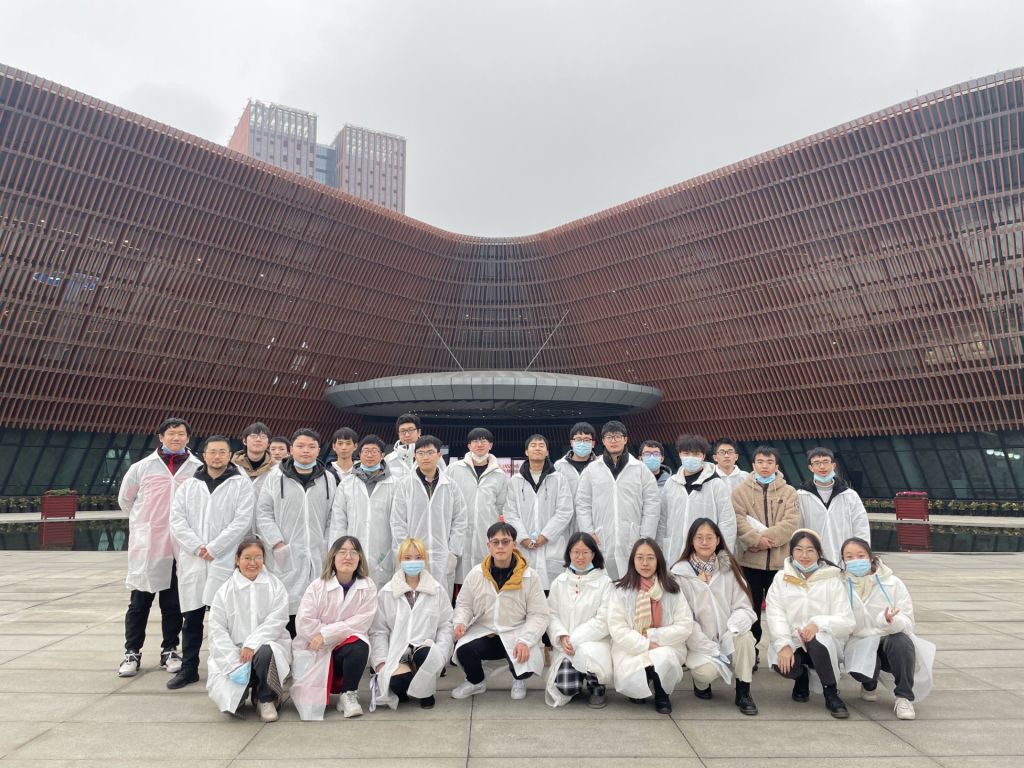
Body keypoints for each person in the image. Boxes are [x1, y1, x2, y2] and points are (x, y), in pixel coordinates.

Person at [117, 417, 202, 677]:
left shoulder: (197, 468)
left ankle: (169, 650)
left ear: (188, 437)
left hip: (181, 545)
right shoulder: (142, 467)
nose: (176, 438)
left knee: (173, 602)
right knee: (140, 601)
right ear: (161, 436)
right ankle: (132, 652)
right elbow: (126, 500)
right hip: (150, 544)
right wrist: (145, 523)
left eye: (181, 434)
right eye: (171, 433)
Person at [168, 436, 255, 689]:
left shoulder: (240, 484)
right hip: (194, 559)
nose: (217, 457)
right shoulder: (189, 486)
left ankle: (230, 667)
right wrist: (197, 547)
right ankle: (189, 668)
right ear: (204, 455)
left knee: (228, 618)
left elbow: (242, 520)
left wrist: (215, 548)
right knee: (192, 618)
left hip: (224, 558)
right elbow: (177, 520)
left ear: (230, 455)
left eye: (222, 452)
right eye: (212, 452)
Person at [451, 521, 550, 700]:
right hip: (486, 632)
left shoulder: (530, 576)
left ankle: (519, 678)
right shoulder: (476, 574)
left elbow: (539, 614)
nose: (500, 546)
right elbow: (464, 604)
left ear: (514, 544)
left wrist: (525, 640)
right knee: (463, 649)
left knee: (525, 660)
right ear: (489, 546)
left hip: (516, 632)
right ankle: (476, 681)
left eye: (505, 542)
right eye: (495, 542)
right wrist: (460, 623)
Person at [840, 537, 934, 720]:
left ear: (870, 557)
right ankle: (869, 683)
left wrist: (890, 621)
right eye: (849, 557)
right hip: (859, 641)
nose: (855, 561)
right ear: (843, 560)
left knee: (901, 641)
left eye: (860, 556)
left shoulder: (893, 583)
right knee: (865, 670)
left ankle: (904, 697)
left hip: (888, 639)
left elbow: (908, 622)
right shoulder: (839, 584)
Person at [670, 518, 758, 715]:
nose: (704, 542)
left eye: (709, 537)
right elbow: (683, 619)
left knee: (745, 638)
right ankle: (701, 684)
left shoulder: (729, 569)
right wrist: (709, 647)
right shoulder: (679, 574)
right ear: (691, 541)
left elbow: (743, 607)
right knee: (705, 673)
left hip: (728, 635)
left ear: (718, 540)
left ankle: (743, 690)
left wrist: (732, 630)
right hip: (699, 642)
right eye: (699, 537)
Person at [765, 529, 854, 718]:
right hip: (793, 640)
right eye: (799, 549)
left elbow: (847, 620)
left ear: (819, 553)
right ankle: (801, 677)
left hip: (823, 642)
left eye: (810, 550)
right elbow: (775, 614)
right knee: (784, 665)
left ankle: (831, 692)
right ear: (791, 552)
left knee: (817, 641)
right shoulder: (781, 578)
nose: (804, 555)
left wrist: (818, 624)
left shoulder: (831, 579)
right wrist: (783, 645)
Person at [256, 428, 338, 634]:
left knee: (316, 608)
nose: (306, 451)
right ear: (291, 449)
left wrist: (327, 543)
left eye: (311, 446)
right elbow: (263, 513)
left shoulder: (328, 479)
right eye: (300, 446)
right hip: (285, 552)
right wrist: (277, 543)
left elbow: (334, 515)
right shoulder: (274, 477)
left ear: (318, 450)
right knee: (286, 608)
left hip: (318, 553)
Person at [291, 536, 378, 720]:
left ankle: (348, 694)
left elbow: (362, 622)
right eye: (342, 552)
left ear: (360, 558)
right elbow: (304, 621)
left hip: (344, 650)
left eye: (353, 552)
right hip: (316, 649)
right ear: (333, 557)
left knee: (360, 644)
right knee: (310, 709)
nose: (348, 557)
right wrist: (324, 637)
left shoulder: (367, 586)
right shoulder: (317, 586)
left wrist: (326, 634)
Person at [206, 536, 291, 722]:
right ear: (237, 560)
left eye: (258, 557)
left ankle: (265, 699)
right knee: (232, 701)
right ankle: (243, 692)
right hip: (236, 653)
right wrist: (232, 660)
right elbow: (217, 630)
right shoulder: (224, 592)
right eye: (247, 558)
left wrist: (252, 644)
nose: (253, 563)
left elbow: (277, 621)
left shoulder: (275, 586)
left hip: (265, 649)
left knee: (267, 650)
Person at [608, 538, 692, 714]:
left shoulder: (672, 589)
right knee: (636, 673)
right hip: (632, 646)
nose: (645, 563)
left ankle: (662, 693)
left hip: (665, 645)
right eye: (640, 558)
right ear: (633, 561)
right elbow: (617, 628)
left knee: (663, 656)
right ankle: (642, 683)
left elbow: (685, 625)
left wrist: (654, 637)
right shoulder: (621, 590)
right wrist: (645, 644)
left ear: (658, 560)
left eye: (650, 558)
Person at [370, 538, 455, 710]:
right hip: (398, 652)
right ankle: (408, 681)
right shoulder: (387, 592)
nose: (413, 562)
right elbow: (379, 631)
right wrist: (380, 662)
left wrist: (441, 654)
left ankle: (426, 692)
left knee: (425, 655)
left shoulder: (437, 590)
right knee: (399, 683)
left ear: (425, 560)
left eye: (418, 557)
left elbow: (446, 625)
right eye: (407, 558)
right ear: (400, 560)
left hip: (424, 650)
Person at [732, 445, 799, 659]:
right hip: (749, 563)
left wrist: (764, 540)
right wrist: (755, 540)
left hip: (779, 564)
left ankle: (783, 652)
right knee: (749, 610)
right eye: (760, 462)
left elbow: (791, 522)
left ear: (776, 466)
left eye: (770, 462)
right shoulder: (740, 491)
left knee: (781, 610)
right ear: (753, 465)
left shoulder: (789, 492)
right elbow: (737, 519)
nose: (765, 466)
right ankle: (750, 653)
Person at [576, 420, 660, 580]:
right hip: (600, 537)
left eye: (617, 436)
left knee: (633, 584)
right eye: (609, 437)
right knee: (602, 583)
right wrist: (588, 532)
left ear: (625, 439)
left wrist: (645, 537)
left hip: (633, 537)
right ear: (603, 441)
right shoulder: (592, 470)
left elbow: (652, 505)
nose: (613, 440)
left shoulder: (640, 469)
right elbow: (582, 504)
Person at [391, 435, 468, 596]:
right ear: (415, 456)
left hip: (442, 554)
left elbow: (460, 520)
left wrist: (453, 552)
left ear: (439, 455)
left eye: (430, 452)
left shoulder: (451, 486)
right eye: (421, 453)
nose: (425, 457)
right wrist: (406, 551)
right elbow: (397, 521)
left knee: (440, 599)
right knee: (413, 598)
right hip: (413, 556)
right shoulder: (405, 485)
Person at [544, 532, 613, 708]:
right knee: (566, 687)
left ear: (593, 554)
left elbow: (603, 620)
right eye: (576, 552)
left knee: (590, 656)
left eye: (585, 552)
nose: (580, 557)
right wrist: (561, 636)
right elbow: (551, 614)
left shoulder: (605, 583)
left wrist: (574, 639)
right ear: (569, 553)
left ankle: (596, 687)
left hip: (593, 643)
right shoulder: (560, 582)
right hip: (566, 644)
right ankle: (578, 677)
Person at [502, 434, 574, 590]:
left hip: (552, 545)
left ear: (547, 452)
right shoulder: (516, 481)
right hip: (524, 546)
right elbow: (510, 512)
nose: (537, 448)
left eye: (541, 445)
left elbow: (565, 511)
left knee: (552, 591)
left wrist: (545, 536)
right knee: (524, 589)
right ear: (526, 452)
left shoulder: (558, 479)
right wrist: (523, 537)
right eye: (533, 445)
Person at [329, 435, 397, 589]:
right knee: (352, 592)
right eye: (366, 451)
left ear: (382, 455)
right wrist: (338, 551)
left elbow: (398, 522)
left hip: (384, 551)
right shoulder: (347, 484)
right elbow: (338, 521)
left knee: (382, 595)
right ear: (359, 454)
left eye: (374, 451)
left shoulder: (395, 484)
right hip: (352, 549)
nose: (369, 455)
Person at [659, 434, 736, 560]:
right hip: (673, 552)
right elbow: (662, 520)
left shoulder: (715, 484)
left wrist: (723, 555)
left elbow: (727, 522)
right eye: (686, 453)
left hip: (705, 552)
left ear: (703, 456)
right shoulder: (671, 483)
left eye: (696, 454)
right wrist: (659, 549)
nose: (691, 457)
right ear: (679, 454)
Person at [448, 427, 508, 588]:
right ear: (469, 446)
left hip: (486, 532)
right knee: (457, 579)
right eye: (475, 441)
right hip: (459, 531)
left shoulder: (499, 475)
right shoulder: (454, 469)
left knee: (484, 578)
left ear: (491, 445)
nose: (479, 444)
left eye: (484, 441)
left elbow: (501, 506)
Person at [797, 448, 870, 563]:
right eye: (817, 463)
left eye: (826, 462)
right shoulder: (801, 496)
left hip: (845, 556)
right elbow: (798, 529)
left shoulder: (849, 495)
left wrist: (861, 554)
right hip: (813, 558)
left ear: (833, 465)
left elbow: (861, 526)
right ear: (811, 468)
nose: (822, 467)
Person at [553, 421, 600, 501]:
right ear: (572, 442)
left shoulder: (600, 465)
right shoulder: (559, 466)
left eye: (586, 440)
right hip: (567, 509)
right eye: (578, 439)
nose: (582, 443)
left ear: (593, 443)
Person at [232, 422, 276, 496]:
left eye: (263, 436)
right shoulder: (233, 467)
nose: (258, 439)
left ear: (268, 443)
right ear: (244, 441)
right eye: (253, 436)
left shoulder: (276, 469)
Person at [384, 413, 422, 480]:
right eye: (402, 431)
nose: (407, 435)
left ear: (419, 432)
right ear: (398, 434)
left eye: (411, 430)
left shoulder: (432, 456)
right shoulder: (389, 459)